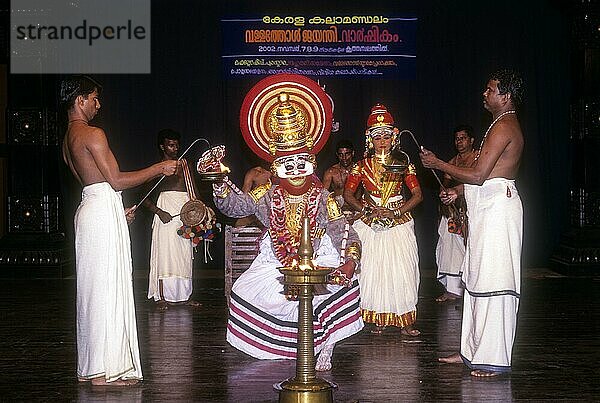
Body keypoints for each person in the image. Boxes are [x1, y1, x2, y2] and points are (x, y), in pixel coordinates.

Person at [204, 77, 364, 372]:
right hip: (277, 258)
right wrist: (219, 183)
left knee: (340, 286)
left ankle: (326, 344)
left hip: (318, 255)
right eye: (287, 164)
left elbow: (347, 233)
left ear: (311, 161)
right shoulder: (267, 194)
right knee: (244, 290)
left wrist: (349, 262)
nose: (295, 170)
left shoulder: (323, 197)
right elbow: (234, 207)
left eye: (300, 162)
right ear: (276, 166)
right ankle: (283, 347)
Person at [60, 75, 179, 386]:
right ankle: (103, 372)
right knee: (105, 289)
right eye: (94, 98)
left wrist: (115, 210)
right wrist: (159, 168)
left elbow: (94, 185)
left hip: (91, 209)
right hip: (100, 210)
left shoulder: (67, 139)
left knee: (92, 289)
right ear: (79, 100)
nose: (99, 105)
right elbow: (115, 180)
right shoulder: (92, 133)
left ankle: (92, 368)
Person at [420, 68, 524, 377]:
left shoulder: (505, 126)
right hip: (486, 206)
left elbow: (480, 175)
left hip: (498, 211)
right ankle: (471, 351)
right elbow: (485, 177)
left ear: (505, 96)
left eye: (490, 89)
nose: (485, 93)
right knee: (476, 278)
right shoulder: (498, 124)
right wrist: (457, 189)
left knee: (494, 280)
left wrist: (439, 163)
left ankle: (493, 358)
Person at [343, 104, 423, 336]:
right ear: (370, 139)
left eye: (386, 135)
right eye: (377, 136)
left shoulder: (403, 163)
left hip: (398, 219)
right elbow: (348, 194)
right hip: (371, 220)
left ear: (394, 136)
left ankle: (406, 320)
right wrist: (365, 209)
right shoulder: (360, 166)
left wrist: (396, 212)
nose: (382, 141)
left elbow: (418, 195)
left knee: (403, 270)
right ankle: (378, 316)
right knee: (373, 270)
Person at [143, 129, 200, 310]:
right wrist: (159, 212)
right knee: (165, 255)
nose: (175, 148)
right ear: (162, 146)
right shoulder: (158, 167)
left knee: (184, 255)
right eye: (170, 145)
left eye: (177, 145)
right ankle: (161, 297)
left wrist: (201, 209)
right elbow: (144, 196)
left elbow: (194, 189)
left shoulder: (184, 164)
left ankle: (184, 296)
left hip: (186, 212)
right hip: (166, 212)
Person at [435, 125, 477, 302]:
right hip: (454, 211)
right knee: (449, 247)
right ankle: (453, 290)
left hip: (473, 209)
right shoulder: (452, 162)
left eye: (463, 138)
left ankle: (472, 287)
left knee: (472, 248)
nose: (459, 142)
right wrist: (444, 192)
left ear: (471, 140)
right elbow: (445, 184)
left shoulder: (478, 158)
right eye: (457, 139)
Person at [322, 139, 355, 205]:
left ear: (353, 153)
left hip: (358, 210)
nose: (344, 158)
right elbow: (322, 196)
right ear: (337, 155)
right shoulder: (331, 172)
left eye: (347, 154)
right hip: (338, 211)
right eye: (341, 155)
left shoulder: (361, 170)